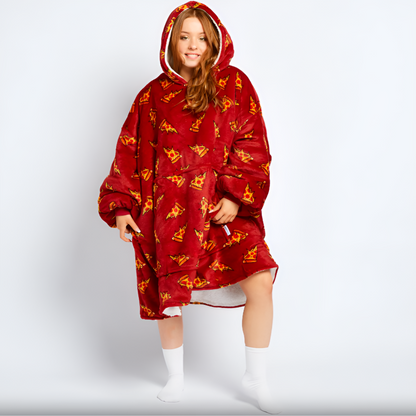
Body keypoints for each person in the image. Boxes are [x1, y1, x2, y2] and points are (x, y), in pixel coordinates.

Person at [97, 1, 280, 414]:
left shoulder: (235, 85)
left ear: (214, 42)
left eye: (201, 37)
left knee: (260, 281)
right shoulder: (152, 96)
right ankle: (175, 377)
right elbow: (130, 150)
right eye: (184, 36)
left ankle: (256, 377)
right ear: (171, 41)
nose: (193, 45)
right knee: (169, 296)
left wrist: (235, 195)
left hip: (220, 210)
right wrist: (121, 205)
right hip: (168, 210)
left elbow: (253, 142)